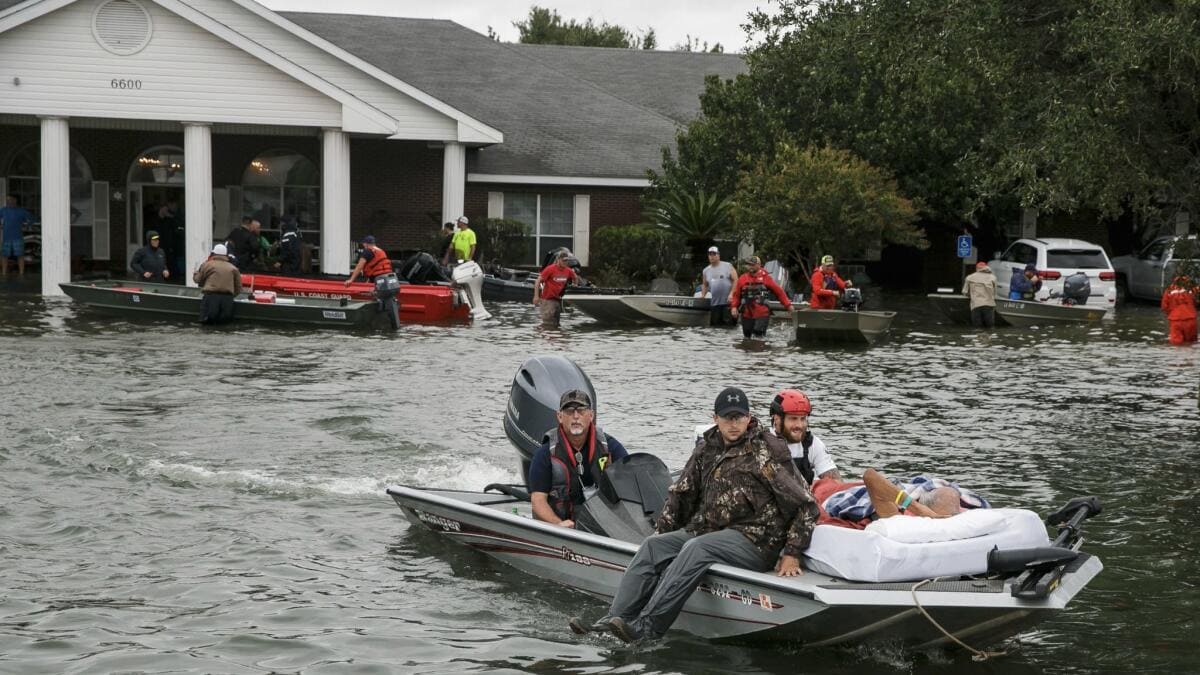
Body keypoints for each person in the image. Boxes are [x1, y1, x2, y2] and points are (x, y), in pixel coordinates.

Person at [570, 387, 818, 643]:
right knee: (653, 546)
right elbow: (682, 495)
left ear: (748, 417)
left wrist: (792, 553)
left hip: (756, 541)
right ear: (715, 418)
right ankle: (612, 621)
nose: (734, 424)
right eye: (727, 418)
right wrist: (663, 535)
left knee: (696, 548)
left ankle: (648, 628)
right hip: (709, 530)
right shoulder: (707, 448)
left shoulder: (766, 450)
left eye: (739, 417)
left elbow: (806, 505)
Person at [526, 389, 629, 527]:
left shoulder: (609, 447)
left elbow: (630, 481)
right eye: (569, 411)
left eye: (581, 410)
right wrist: (558, 524)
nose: (575, 416)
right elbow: (538, 500)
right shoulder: (545, 454)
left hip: (603, 525)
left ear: (591, 415)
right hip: (561, 526)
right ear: (560, 417)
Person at [768, 389, 841, 485]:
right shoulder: (762, 442)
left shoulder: (813, 444)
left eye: (803, 419)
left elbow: (837, 484)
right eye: (793, 419)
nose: (799, 425)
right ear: (777, 419)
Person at [728, 256, 793, 338]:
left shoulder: (766, 278)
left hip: (762, 313)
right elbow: (736, 296)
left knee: (758, 335)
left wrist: (788, 306)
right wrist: (734, 307)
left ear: (759, 265)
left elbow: (779, 292)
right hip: (746, 314)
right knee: (747, 336)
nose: (750, 267)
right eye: (749, 265)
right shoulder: (742, 278)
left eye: (752, 265)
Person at [193, 243, 242, 324]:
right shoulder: (233, 268)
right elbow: (239, 288)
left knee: (206, 324)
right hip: (228, 300)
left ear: (214, 253)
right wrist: (231, 296)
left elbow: (198, 280)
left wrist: (195, 274)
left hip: (210, 297)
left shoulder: (207, 265)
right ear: (226, 254)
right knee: (223, 326)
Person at [532, 249, 578, 327]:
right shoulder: (550, 269)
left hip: (558, 301)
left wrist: (574, 288)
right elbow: (537, 281)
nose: (565, 262)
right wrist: (536, 296)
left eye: (567, 261)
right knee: (548, 325)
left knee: (556, 325)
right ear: (558, 260)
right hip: (547, 300)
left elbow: (575, 278)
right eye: (563, 260)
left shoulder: (568, 270)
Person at [700, 246, 737, 327]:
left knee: (729, 328)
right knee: (715, 328)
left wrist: (731, 294)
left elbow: (736, 280)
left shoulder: (728, 266)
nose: (712, 256)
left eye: (714, 254)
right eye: (710, 254)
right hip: (715, 305)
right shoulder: (705, 270)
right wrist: (703, 296)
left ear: (718, 255)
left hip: (728, 304)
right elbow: (705, 284)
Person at [0, 193, 34, 276]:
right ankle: (4, 273)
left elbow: (31, 219)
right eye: (7, 200)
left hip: (18, 236)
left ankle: (21, 273)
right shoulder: (3, 210)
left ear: (15, 200)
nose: (8, 201)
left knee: (20, 255)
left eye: (10, 199)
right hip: (6, 237)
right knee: (4, 255)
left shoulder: (21, 211)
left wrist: (27, 226)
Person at [1161, 275, 1198, 345]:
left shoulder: (1169, 290)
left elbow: (1164, 306)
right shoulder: (1192, 289)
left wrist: (1171, 314)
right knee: (1191, 344)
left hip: (1175, 321)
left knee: (1176, 345)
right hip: (1190, 320)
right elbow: (1197, 301)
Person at [962, 261, 998, 327]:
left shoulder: (970, 277)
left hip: (976, 305)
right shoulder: (993, 277)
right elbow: (995, 293)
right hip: (989, 305)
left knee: (977, 327)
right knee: (990, 327)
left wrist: (971, 295)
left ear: (977, 268)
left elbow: (965, 292)